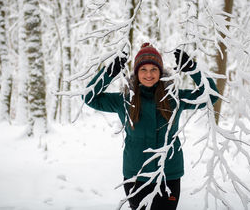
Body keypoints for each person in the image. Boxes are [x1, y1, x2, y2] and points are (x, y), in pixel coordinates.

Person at [84, 43, 218, 210]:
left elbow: (210, 96)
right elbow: (89, 97)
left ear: (160, 72)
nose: (149, 74)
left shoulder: (174, 97)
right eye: (143, 69)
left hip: (169, 174)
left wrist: (192, 69)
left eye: (154, 69)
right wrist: (109, 73)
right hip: (136, 175)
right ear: (136, 73)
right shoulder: (125, 99)